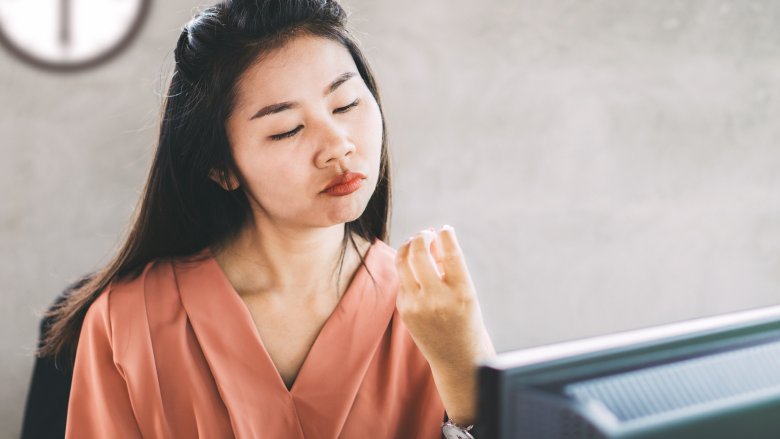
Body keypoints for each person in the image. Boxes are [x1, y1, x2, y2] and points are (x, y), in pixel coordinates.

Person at [38, 0, 496, 437]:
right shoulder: (127, 321)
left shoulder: (432, 312)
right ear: (222, 169)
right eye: (287, 129)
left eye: (346, 105)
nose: (337, 144)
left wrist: (466, 372)